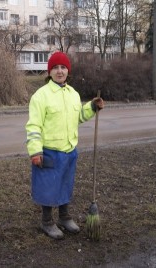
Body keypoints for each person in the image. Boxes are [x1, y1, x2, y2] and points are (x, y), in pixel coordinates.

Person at [25, 51, 104, 240]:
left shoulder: (73, 94)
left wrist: (92, 107)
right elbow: (34, 125)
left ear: (68, 70)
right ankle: (47, 222)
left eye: (63, 67)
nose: (59, 71)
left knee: (65, 184)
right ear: (49, 72)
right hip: (49, 151)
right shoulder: (41, 96)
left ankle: (64, 217)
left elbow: (78, 118)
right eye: (55, 68)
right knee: (48, 188)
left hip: (69, 150)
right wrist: (35, 150)